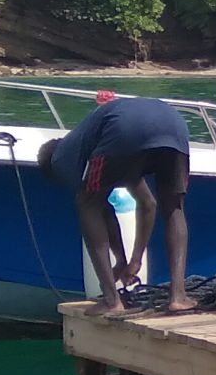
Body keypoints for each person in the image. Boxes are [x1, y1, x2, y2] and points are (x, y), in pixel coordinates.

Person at [37, 94, 195, 314]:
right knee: (174, 207)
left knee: (85, 204)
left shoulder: (59, 158)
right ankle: (178, 297)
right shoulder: (98, 145)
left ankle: (111, 301)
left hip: (124, 128)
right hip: (173, 124)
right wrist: (131, 261)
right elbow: (148, 204)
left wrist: (125, 259)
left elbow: (95, 205)